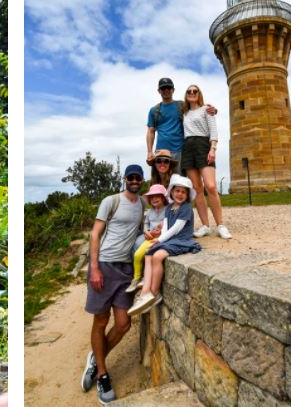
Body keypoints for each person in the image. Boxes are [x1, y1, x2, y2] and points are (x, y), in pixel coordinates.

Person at [80, 164, 145, 405]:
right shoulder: (111, 201)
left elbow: (140, 234)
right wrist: (94, 267)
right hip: (104, 266)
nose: (135, 180)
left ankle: (96, 359)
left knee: (123, 323)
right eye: (131, 177)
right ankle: (103, 374)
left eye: (138, 177)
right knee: (100, 320)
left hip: (125, 269)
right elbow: (95, 234)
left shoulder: (142, 204)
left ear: (142, 180)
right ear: (125, 179)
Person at [127, 175, 201, 316]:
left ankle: (154, 293)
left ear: (187, 195)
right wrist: (159, 239)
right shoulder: (169, 209)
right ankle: (145, 292)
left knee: (157, 257)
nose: (180, 194)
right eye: (177, 191)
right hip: (170, 239)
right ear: (171, 192)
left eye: (183, 192)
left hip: (181, 240)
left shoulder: (186, 208)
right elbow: (166, 227)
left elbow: (176, 229)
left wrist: (160, 241)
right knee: (149, 253)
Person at [181, 84, 232, 239]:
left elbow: (214, 131)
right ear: (186, 95)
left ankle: (220, 225)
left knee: (210, 186)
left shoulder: (207, 110)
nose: (191, 93)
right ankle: (205, 226)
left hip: (204, 146)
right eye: (189, 91)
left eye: (194, 91)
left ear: (199, 94)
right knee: (197, 189)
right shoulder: (183, 113)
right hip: (188, 148)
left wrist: (213, 148)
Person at [146, 77, 216, 170]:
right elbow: (151, 132)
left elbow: (197, 109)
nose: (166, 90)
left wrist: (213, 110)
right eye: (163, 88)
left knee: (180, 182)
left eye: (168, 88)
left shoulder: (182, 106)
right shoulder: (154, 110)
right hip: (161, 152)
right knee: (162, 183)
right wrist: (149, 151)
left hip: (180, 151)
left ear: (173, 90)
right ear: (159, 91)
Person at [127, 184, 167, 294]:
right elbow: (146, 223)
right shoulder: (150, 212)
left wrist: (161, 230)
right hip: (150, 237)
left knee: (147, 253)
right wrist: (146, 231)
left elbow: (168, 224)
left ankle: (145, 277)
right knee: (137, 251)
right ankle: (136, 277)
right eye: (152, 197)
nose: (154, 199)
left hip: (160, 238)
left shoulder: (167, 210)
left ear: (163, 197)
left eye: (157, 196)